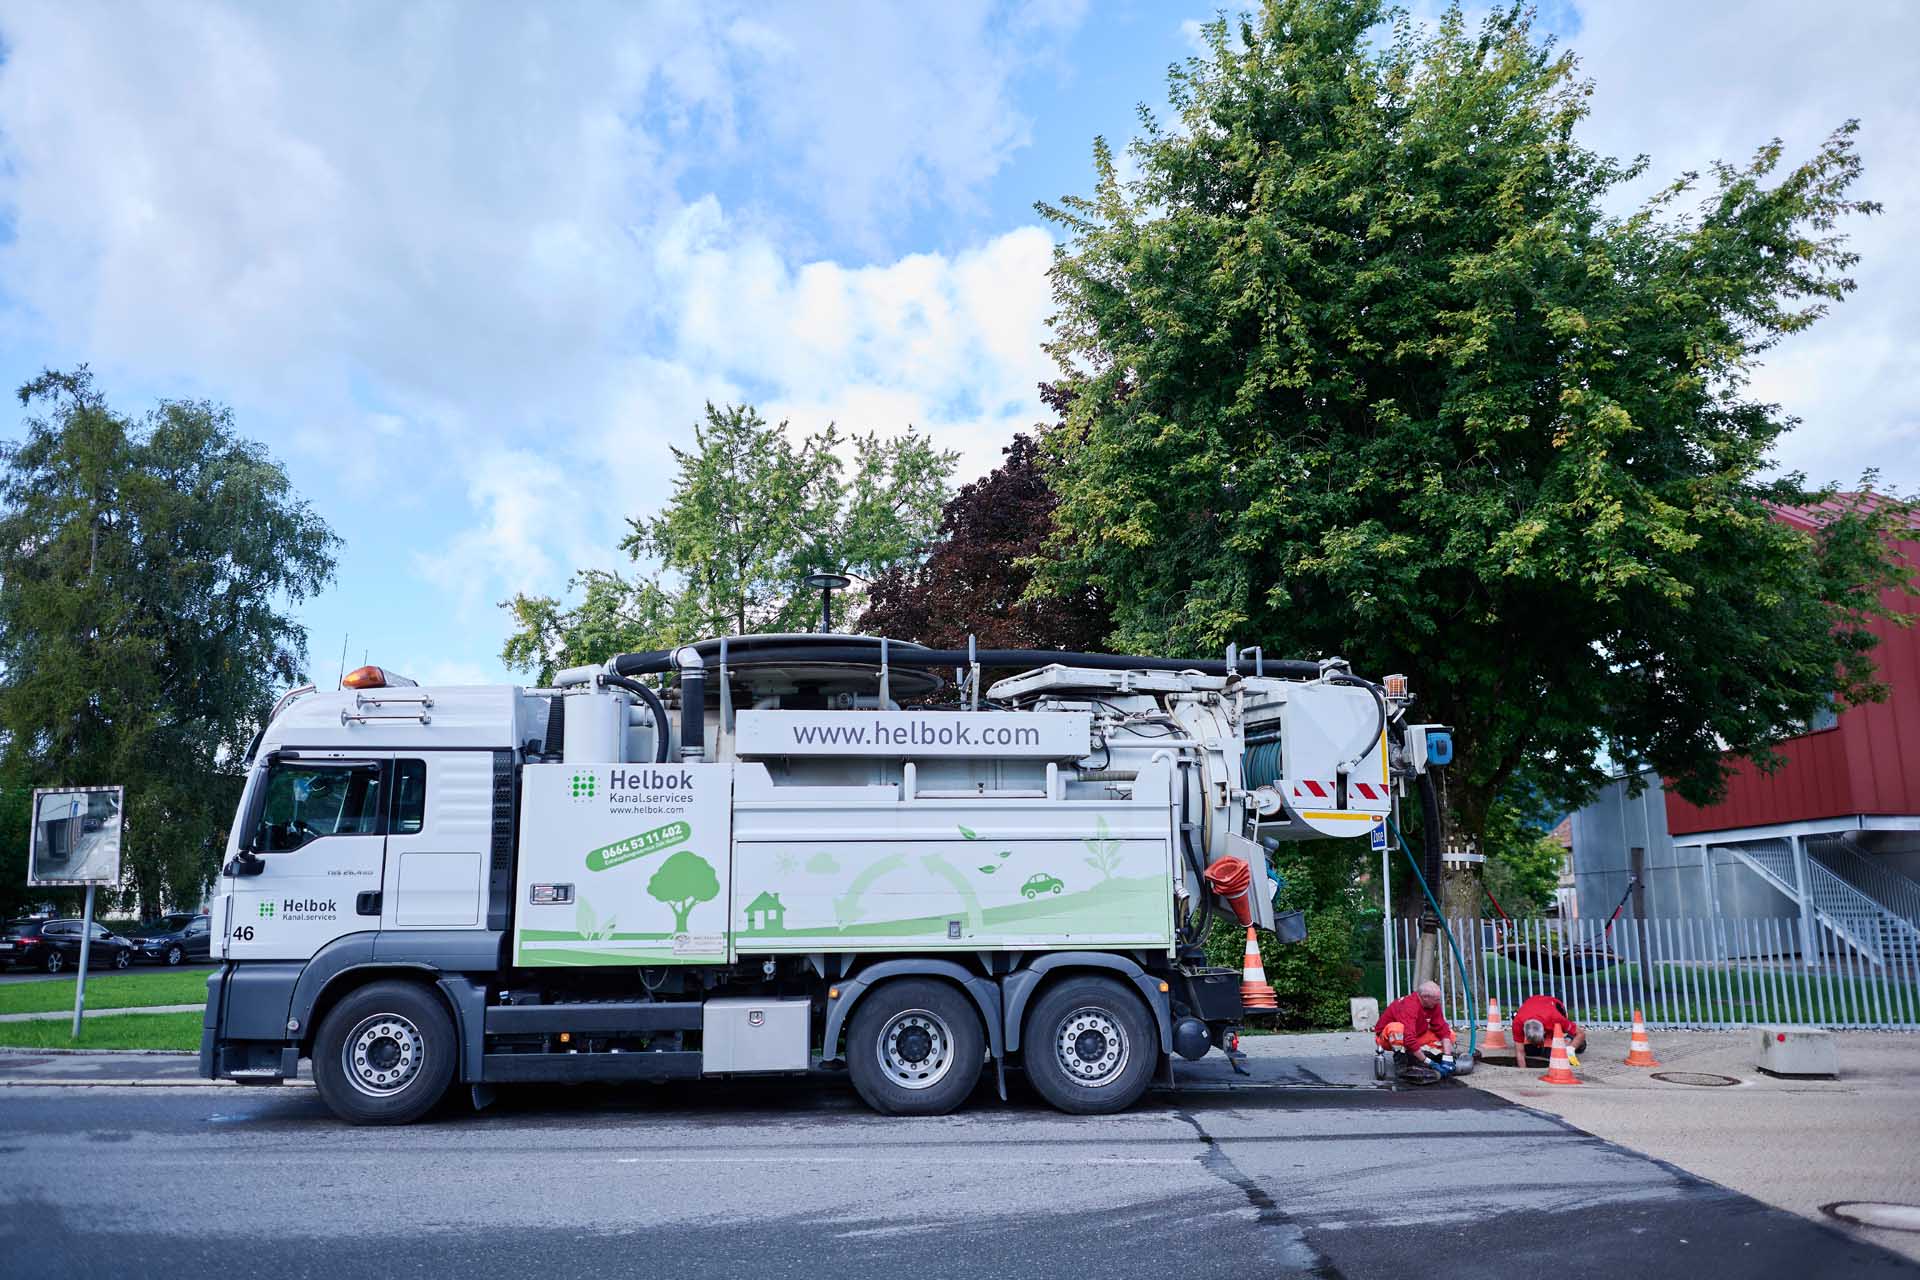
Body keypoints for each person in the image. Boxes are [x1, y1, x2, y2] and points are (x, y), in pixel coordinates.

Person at [1373, 981, 1456, 1080]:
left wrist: (1448, 1058)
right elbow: (1409, 1039)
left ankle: (1419, 1057)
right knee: (1397, 1029)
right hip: (1387, 1038)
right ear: (1425, 997)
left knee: (1450, 1035)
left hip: (1415, 1034)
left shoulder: (1432, 1005)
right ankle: (1402, 1066)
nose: (1438, 1002)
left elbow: (1443, 1030)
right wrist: (1429, 1063)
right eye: (1436, 1000)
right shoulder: (1410, 1006)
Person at [1511, 994, 1586, 1067]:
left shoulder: (1556, 1018)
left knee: (1551, 1054)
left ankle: (1568, 1038)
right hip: (1536, 1005)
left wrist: (1570, 1049)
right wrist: (1524, 1071)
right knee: (1530, 1051)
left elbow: (1581, 1034)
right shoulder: (1518, 1022)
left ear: (1544, 1031)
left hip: (1555, 1007)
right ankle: (1544, 1044)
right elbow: (1520, 1052)